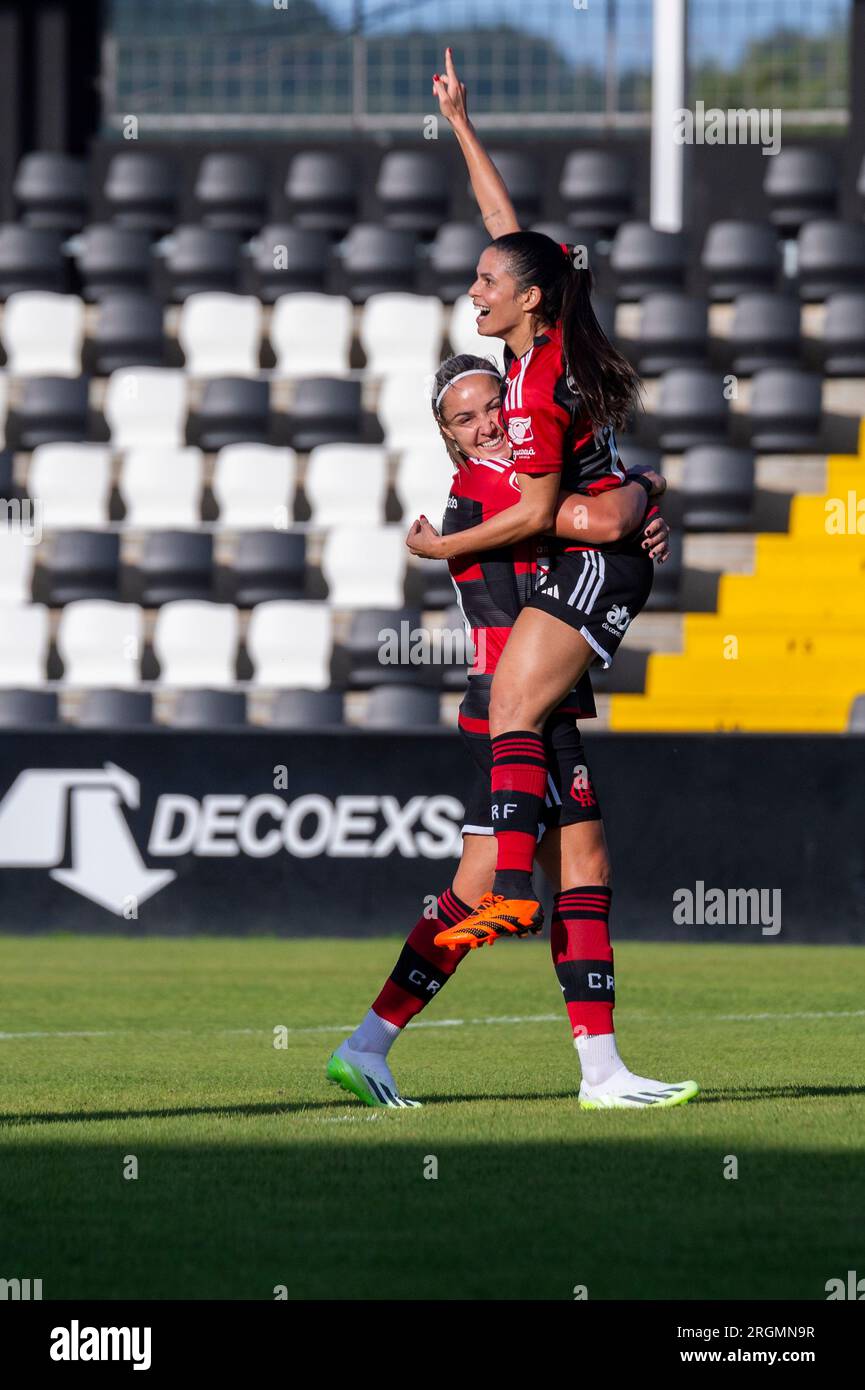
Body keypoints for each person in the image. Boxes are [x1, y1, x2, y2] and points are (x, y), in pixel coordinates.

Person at [327, 357, 697, 1109]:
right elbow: (601, 521)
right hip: (517, 707)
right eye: (465, 419)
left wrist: (637, 519)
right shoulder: (498, 483)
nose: (487, 424)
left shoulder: (512, 481)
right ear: (448, 436)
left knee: (465, 898)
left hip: (514, 704)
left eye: (494, 406)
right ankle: (600, 1072)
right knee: (584, 871)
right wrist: (647, 491)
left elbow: (597, 527)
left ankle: (365, 1046)